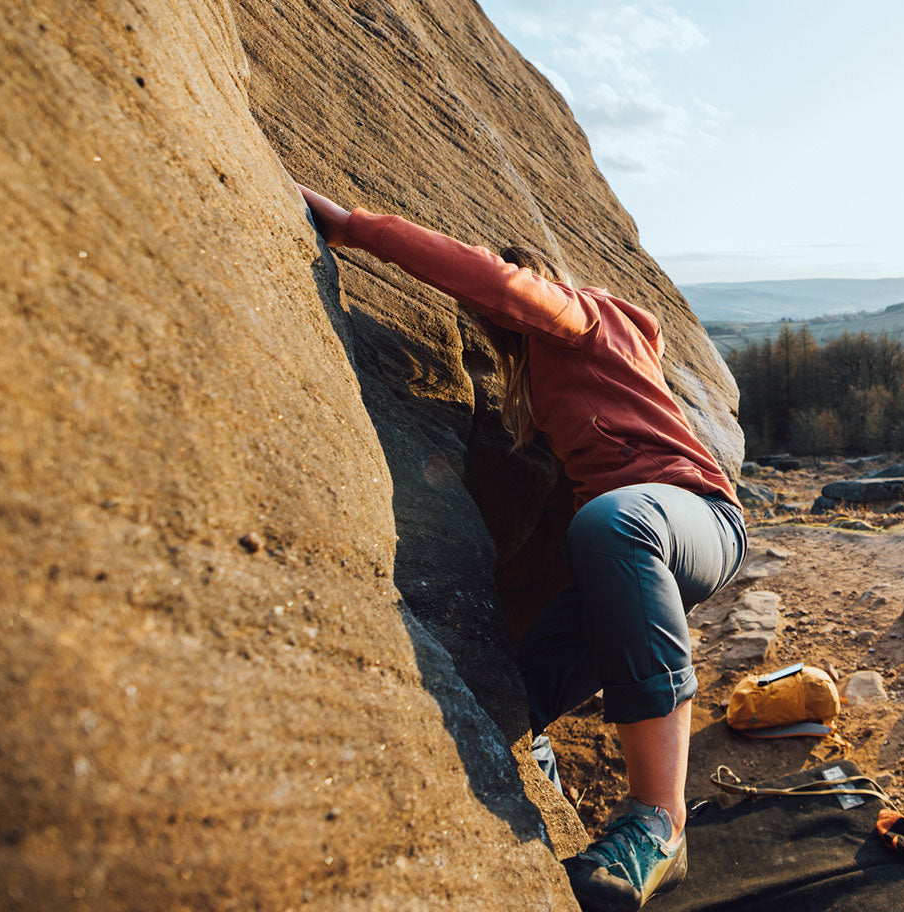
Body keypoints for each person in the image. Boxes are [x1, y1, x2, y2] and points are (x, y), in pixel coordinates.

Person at [298, 184, 746, 912]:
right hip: (634, 553)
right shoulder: (553, 375)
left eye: (501, 312)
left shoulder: (585, 318)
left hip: (697, 518)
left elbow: (498, 282)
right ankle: (557, 810)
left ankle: (660, 821)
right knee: (503, 700)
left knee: (609, 523)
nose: (494, 321)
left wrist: (352, 227)